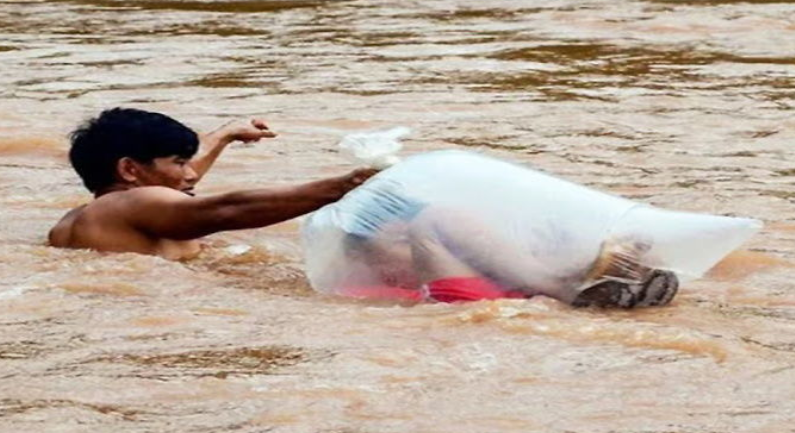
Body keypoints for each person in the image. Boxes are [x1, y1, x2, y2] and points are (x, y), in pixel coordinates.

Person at [49, 108, 377, 260]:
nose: (191, 174)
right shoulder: (128, 205)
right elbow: (226, 210)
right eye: (179, 162)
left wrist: (225, 135)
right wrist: (347, 184)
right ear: (130, 170)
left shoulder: (96, 213)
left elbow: (174, 191)